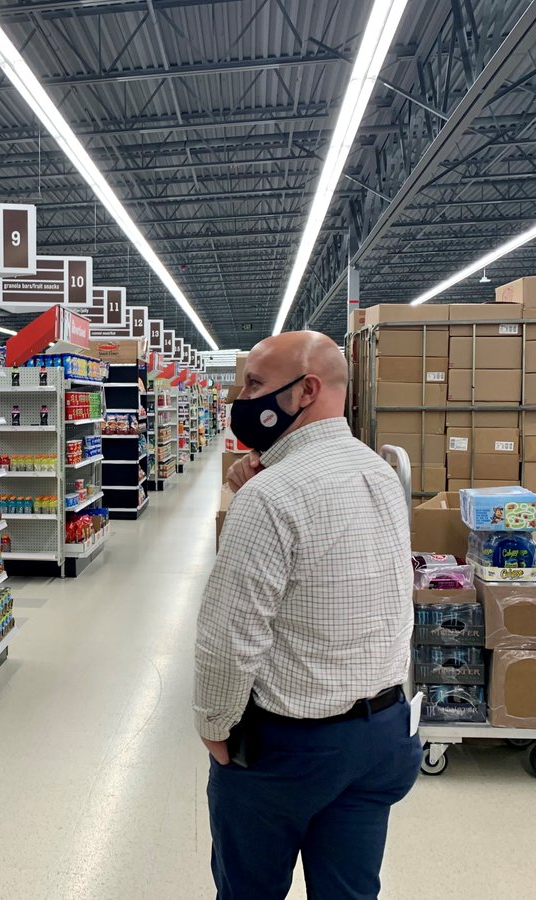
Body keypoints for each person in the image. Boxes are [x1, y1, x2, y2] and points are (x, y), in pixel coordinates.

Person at [195, 331, 420, 900]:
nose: (239, 398)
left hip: (290, 748)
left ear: (306, 391)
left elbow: (228, 638)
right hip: (384, 736)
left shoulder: (269, 498)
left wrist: (215, 727)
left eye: (255, 384)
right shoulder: (381, 474)